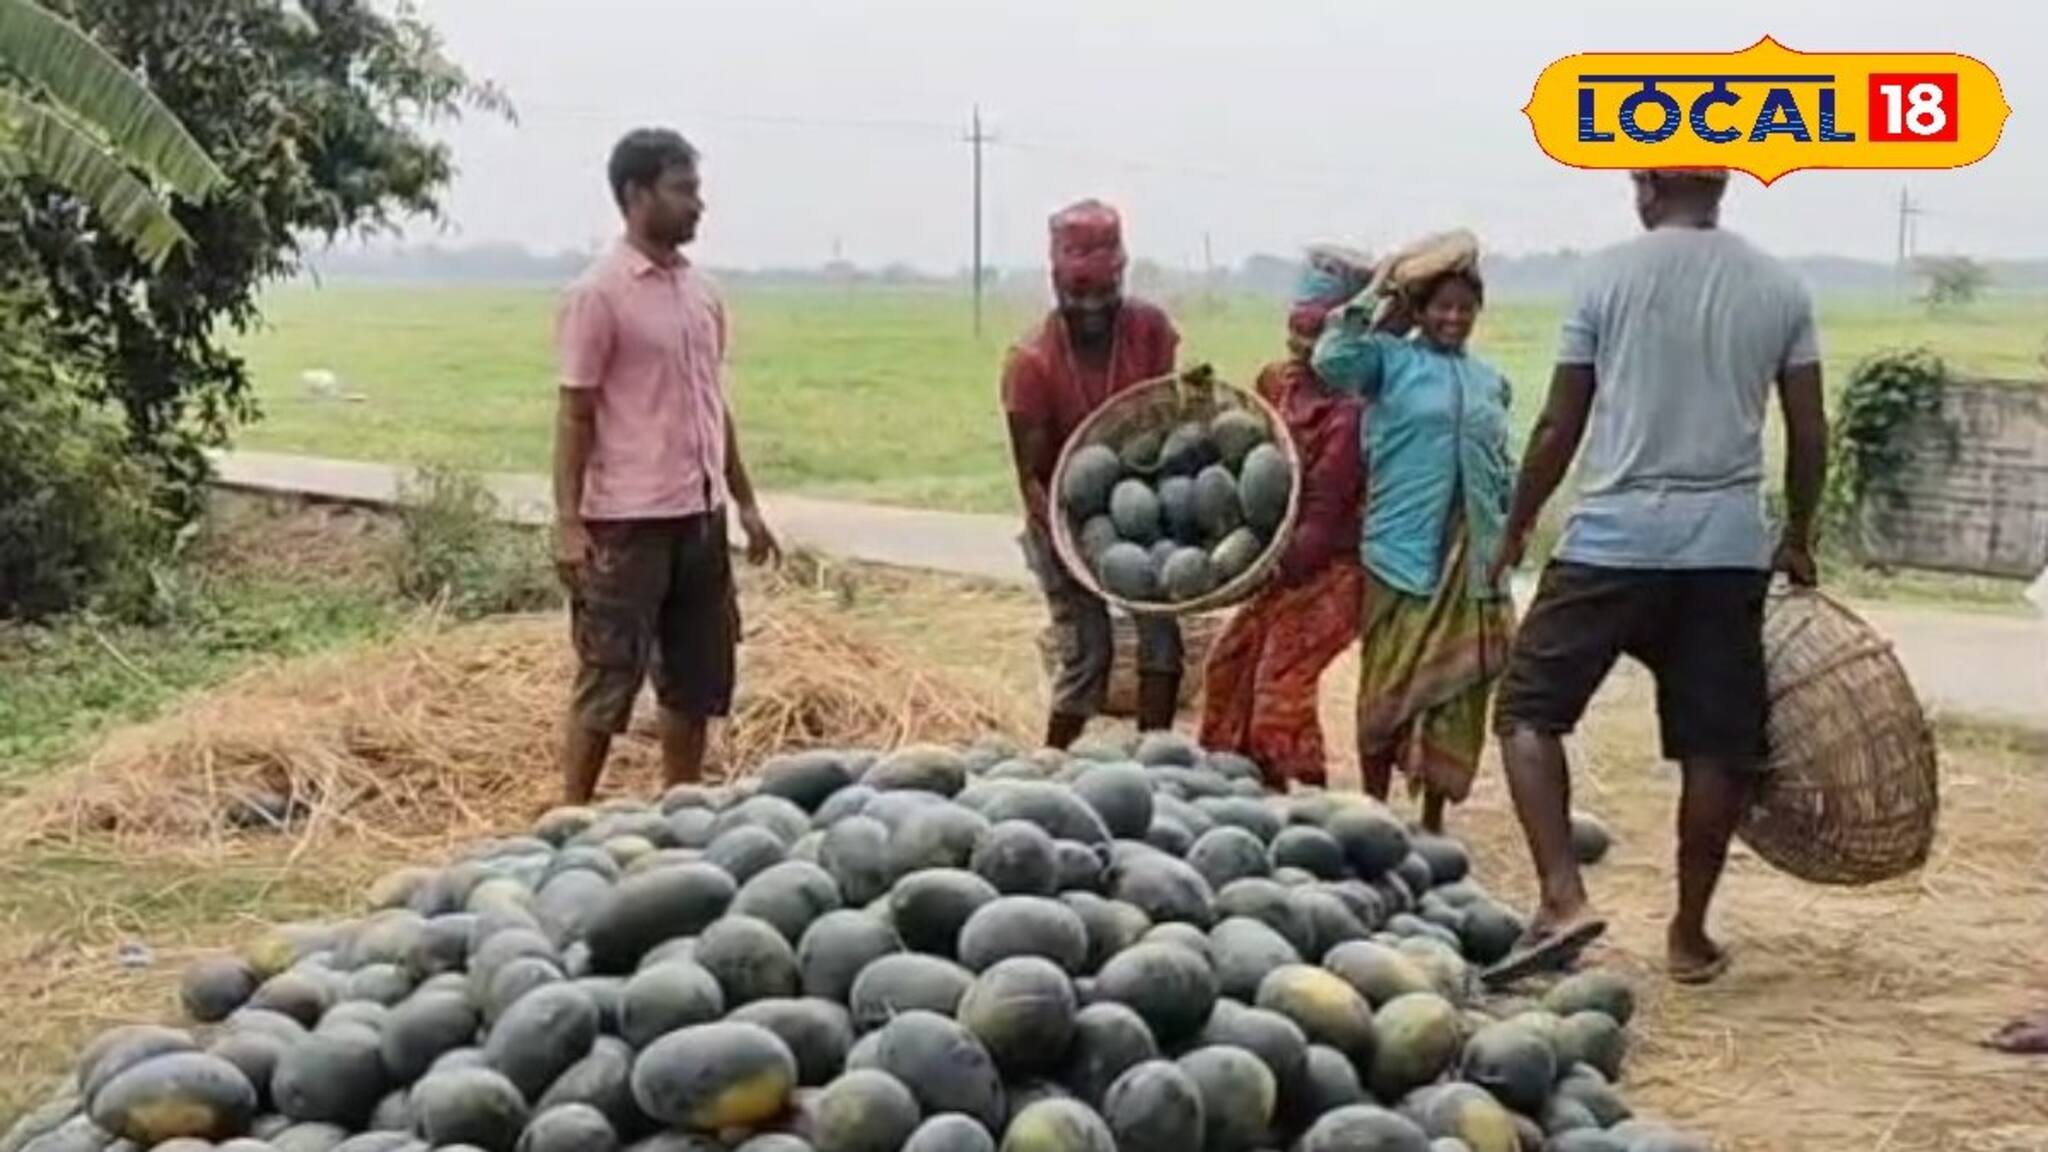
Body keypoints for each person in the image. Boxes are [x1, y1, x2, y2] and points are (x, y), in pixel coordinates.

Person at [1485, 169, 1828, 986]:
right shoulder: (1780, 285)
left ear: (1645, 188)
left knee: (1529, 710)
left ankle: (1564, 897)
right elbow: (1810, 431)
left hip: (1611, 539)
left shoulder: (1606, 276)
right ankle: (1687, 936)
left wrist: (1519, 525)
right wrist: (1801, 534)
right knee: (1717, 750)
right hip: (1724, 550)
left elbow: (1558, 422)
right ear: (1722, 189)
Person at [551, 127, 781, 805]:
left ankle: (680, 810)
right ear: (635, 195)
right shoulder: (598, 295)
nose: (698, 206)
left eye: (697, 191)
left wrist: (745, 503)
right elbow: (574, 413)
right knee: (607, 678)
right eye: (683, 191)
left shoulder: (702, 294)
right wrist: (568, 522)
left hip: (699, 516)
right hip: (627, 522)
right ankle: (569, 819)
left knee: (696, 679)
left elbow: (714, 405)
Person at [1311, 257, 1517, 834]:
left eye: (1464, 307)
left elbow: (1502, 464)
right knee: (1389, 682)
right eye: (1441, 307)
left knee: (1455, 695)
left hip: (1472, 557)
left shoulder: (1489, 382)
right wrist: (1377, 292)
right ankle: (1375, 809)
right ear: (1420, 311)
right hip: (1400, 552)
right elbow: (1331, 358)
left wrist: (1513, 527)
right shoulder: (1386, 361)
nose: (1453, 318)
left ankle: (1432, 821)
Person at [1002, 199, 1182, 749]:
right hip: (1058, 516)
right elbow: (1030, 478)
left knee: (1161, 635)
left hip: (1137, 506)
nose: (1092, 308)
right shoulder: (1031, 363)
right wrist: (1073, 549)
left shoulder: (1149, 330)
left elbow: (1170, 412)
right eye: (1078, 294)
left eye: (1104, 293)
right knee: (1089, 650)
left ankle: (1155, 761)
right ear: (1057, 285)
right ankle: (1049, 768)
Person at [1198, 246, 1371, 790]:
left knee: (1279, 682)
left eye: (1314, 336)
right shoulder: (1277, 383)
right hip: (1280, 559)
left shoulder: (1350, 414)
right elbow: (1243, 447)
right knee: (1228, 663)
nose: (1299, 347)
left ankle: (1304, 800)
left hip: (1335, 568)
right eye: (1294, 332)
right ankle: (1241, 784)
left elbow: (1321, 516)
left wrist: (1266, 568)